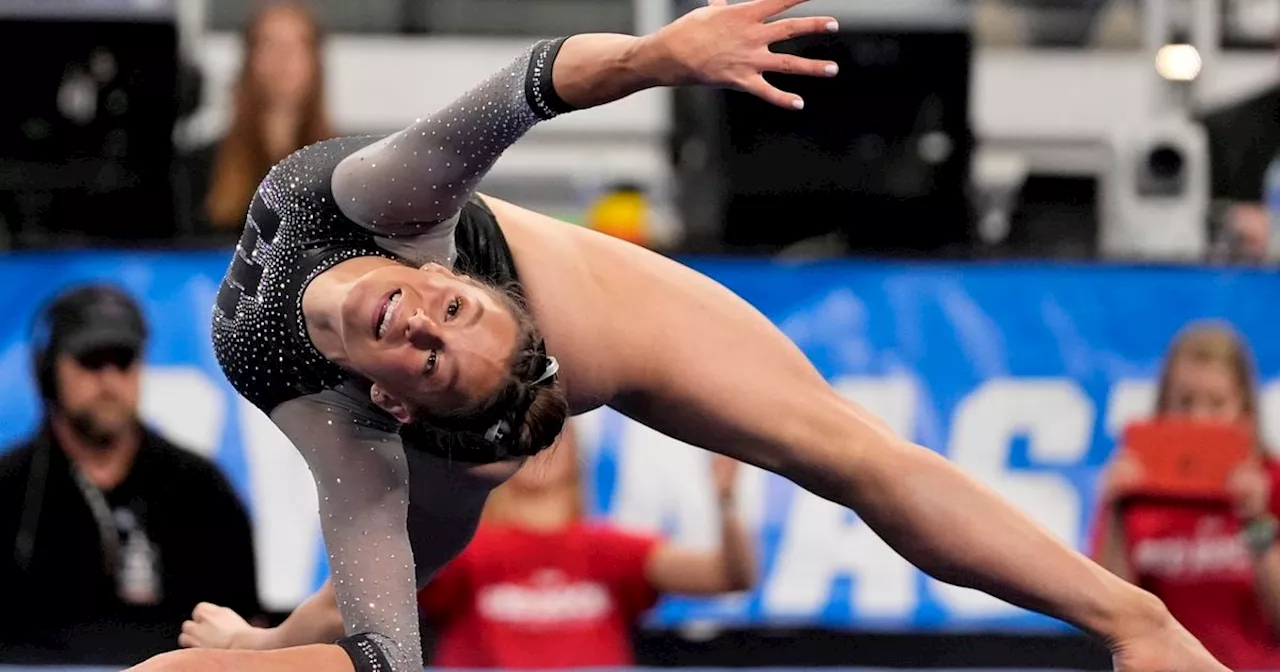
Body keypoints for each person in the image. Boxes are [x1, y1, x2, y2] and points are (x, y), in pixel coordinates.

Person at [128, 1, 1230, 671]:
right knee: (371, 610)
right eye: (431, 335)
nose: (417, 317)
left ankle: (1134, 623)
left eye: (433, 322)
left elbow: (535, 86)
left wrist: (661, 55)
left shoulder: (354, 291)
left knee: (845, 453)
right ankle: (266, 638)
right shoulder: (372, 331)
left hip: (581, 320)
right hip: (481, 408)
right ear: (405, 410)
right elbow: (529, 85)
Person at [176, 426, 754, 667]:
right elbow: (348, 601)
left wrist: (728, 503)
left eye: (553, 435)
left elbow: (728, 575)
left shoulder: (607, 553)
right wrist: (253, 647)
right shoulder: (463, 545)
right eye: (522, 436)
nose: (540, 452)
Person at [0, 284, 261, 666]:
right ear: (47, 371)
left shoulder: (201, 491)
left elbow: (241, 632)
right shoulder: (9, 491)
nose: (109, 381)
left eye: (123, 360)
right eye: (91, 361)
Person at [1091, 322, 1280, 670]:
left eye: (1216, 403)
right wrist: (1116, 512)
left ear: (1244, 407)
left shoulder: (1271, 482)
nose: (1198, 418)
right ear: (1164, 404)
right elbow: (1109, 616)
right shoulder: (1135, 489)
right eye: (1185, 401)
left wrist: (1257, 524)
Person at [178, 1, 335, 236]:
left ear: (315, 60)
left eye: (297, 44)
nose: (284, 59)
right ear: (249, 58)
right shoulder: (199, 167)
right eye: (269, 44)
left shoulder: (344, 168)